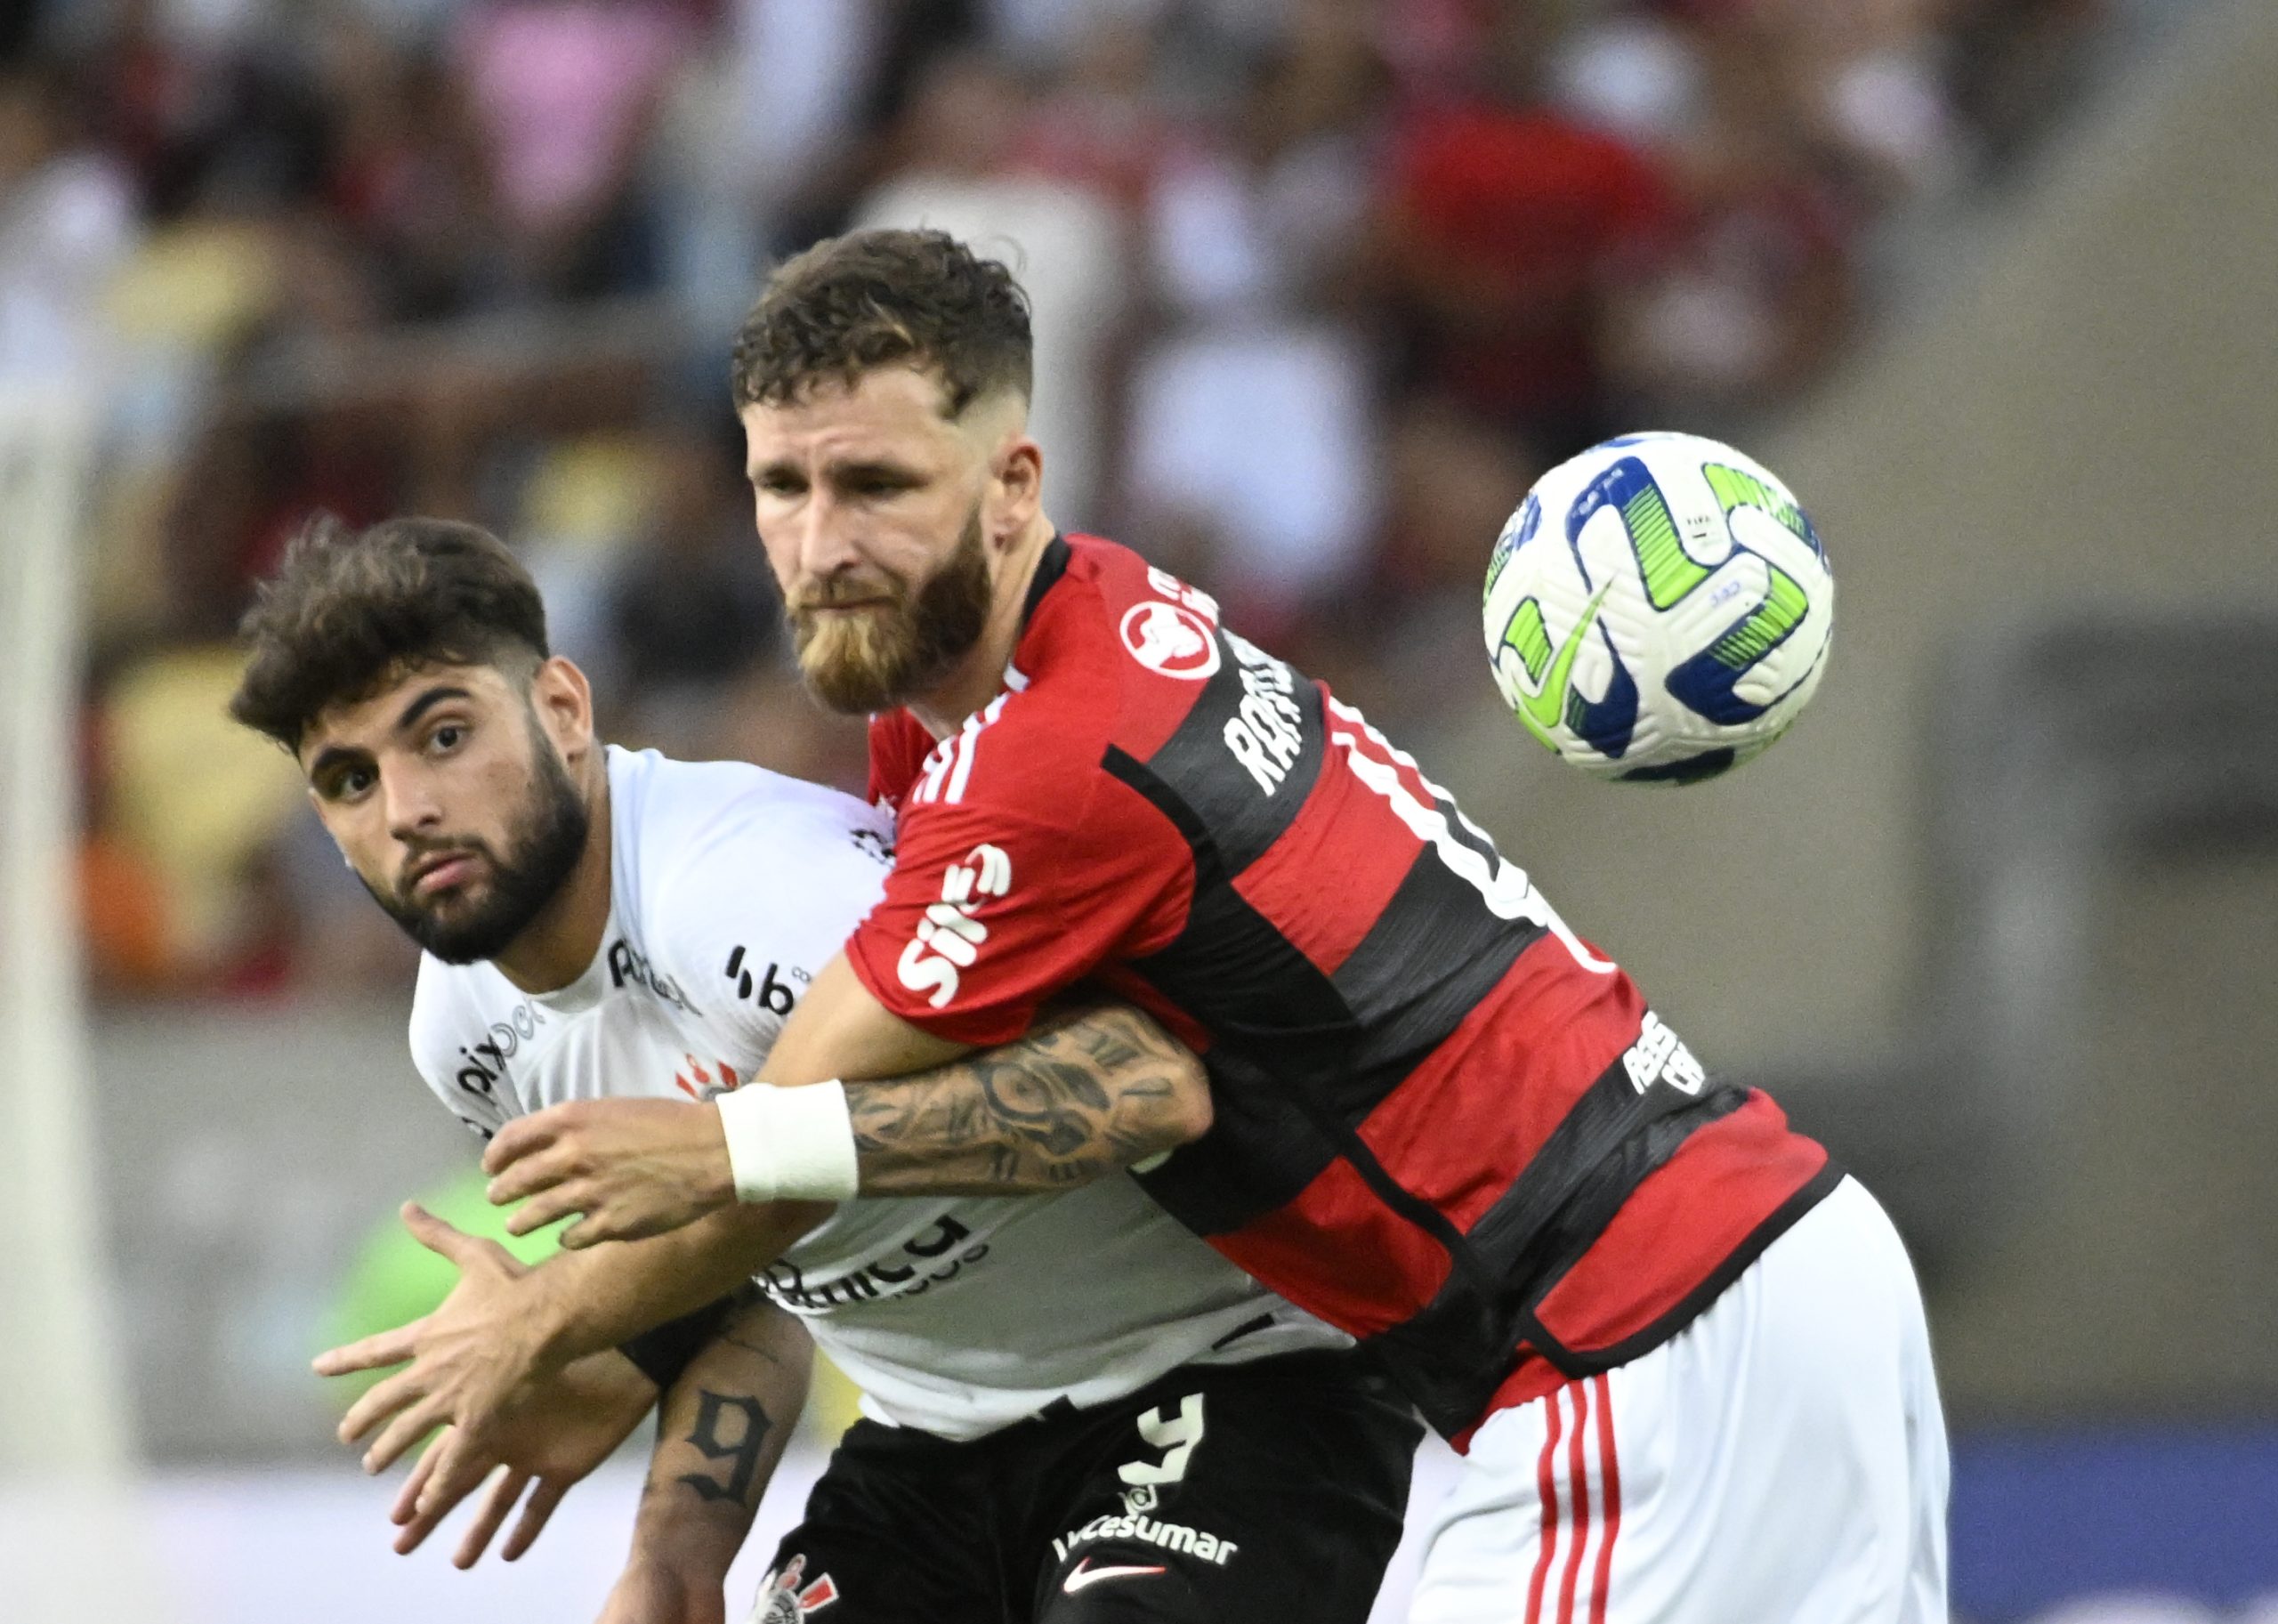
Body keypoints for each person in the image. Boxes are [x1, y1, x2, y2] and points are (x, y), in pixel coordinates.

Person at [333, 230, 1949, 1621]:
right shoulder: (1003, 669)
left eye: (879, 485)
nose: (820, 546)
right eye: (784, 484)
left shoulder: (1053, 764)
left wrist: (551, 1321)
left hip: (1626, 1330)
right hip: (1752, 1271)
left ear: (1014, 484)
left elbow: (773, 1139)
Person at [228, 515, 1422, 1621]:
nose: (409, 809)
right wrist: (676, 1548)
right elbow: (758, 1273)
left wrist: (615, 1258)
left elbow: (1146, 1082)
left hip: (1227, 1381)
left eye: (445, 734)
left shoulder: (745, 890)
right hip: (933, 1447)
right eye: (349, 779)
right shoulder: (465, 1038)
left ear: (562, 707)